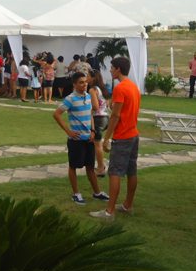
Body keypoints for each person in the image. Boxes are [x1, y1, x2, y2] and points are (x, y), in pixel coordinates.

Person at [91, 57, 140, 220]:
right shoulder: (133, 86)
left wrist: (106, 138)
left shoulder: (120, 88)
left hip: (123, 135)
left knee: (114, 173)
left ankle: (109, 211)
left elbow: (115, 116)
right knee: (131, 171)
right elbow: (125, 108)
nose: (110, 70)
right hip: (133, 133)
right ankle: (128, 205)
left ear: (118, 69)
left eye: (112, 67)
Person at [53, 72, 109, 205]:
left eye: (85, 82)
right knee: (73, 166)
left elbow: (90, 114)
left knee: (90, 166)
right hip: (76, 140)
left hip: (89, 138)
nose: (84, 84)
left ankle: (97, 193)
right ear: (75, 85)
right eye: (81, 82)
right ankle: (76, 194)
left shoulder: (88, 96)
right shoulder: (70, 99)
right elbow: (56, 114)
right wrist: (68, 131)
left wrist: (93, 131)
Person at [88, 69, 110, 177]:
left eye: (88, 76)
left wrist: (86, 106)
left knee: (98, 145)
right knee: (96, 144)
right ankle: (100, 165)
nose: (86, 79)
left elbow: (95, 106)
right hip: (106, 118)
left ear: (93, 78)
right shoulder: (103, 89)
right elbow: (107, 104)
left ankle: (101, 169)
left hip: (98, 119)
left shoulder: (93, 90)